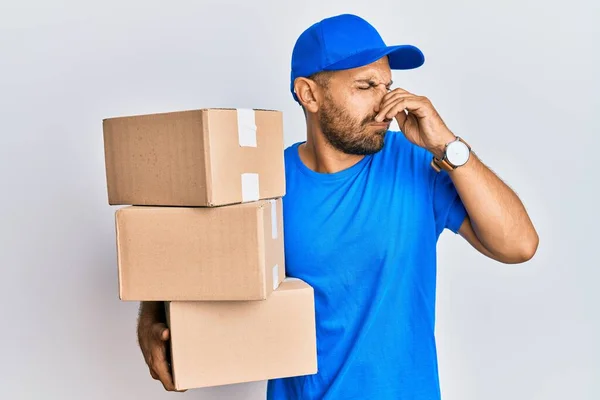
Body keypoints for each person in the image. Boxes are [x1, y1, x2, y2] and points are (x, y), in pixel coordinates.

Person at [136, 13, 539, 399]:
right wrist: (153, 323)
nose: (389, 104)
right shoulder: (264, 182)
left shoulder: (419, 163)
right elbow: (191, 265)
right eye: (366, 86)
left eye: (388, 85)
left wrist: (447, 145)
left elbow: (518, 245)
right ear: (309, 94)